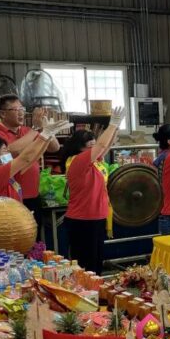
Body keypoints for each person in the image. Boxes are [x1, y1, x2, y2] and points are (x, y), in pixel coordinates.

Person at [62, 108, 125, 274]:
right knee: (86, 265)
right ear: (79, 147)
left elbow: (106, 146)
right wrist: (111, 124)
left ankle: (96, 296)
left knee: (97, 262)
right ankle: (86, 296)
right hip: (82, 219)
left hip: (97, 217)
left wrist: (116, 127)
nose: (95, 148)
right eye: (90, 145)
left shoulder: (94, 161)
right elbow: (102, 145)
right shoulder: (77, 161)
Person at [0, 94, 61, 217]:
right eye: (16, 110)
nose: (21, 113)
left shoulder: (27, 131)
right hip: (11, 196)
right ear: (3, 114)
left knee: (34, 231)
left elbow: (54, 148)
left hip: (33, 193)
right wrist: (36, 129)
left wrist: (46, 129)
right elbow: (12, 150)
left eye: (22, 109)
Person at [0, 123, 62, 202]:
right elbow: (25, 158)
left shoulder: (7, 172)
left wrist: (49, 136)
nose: (8, 153)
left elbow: (32, 159)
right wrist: (44, 135)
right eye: (4, 150)